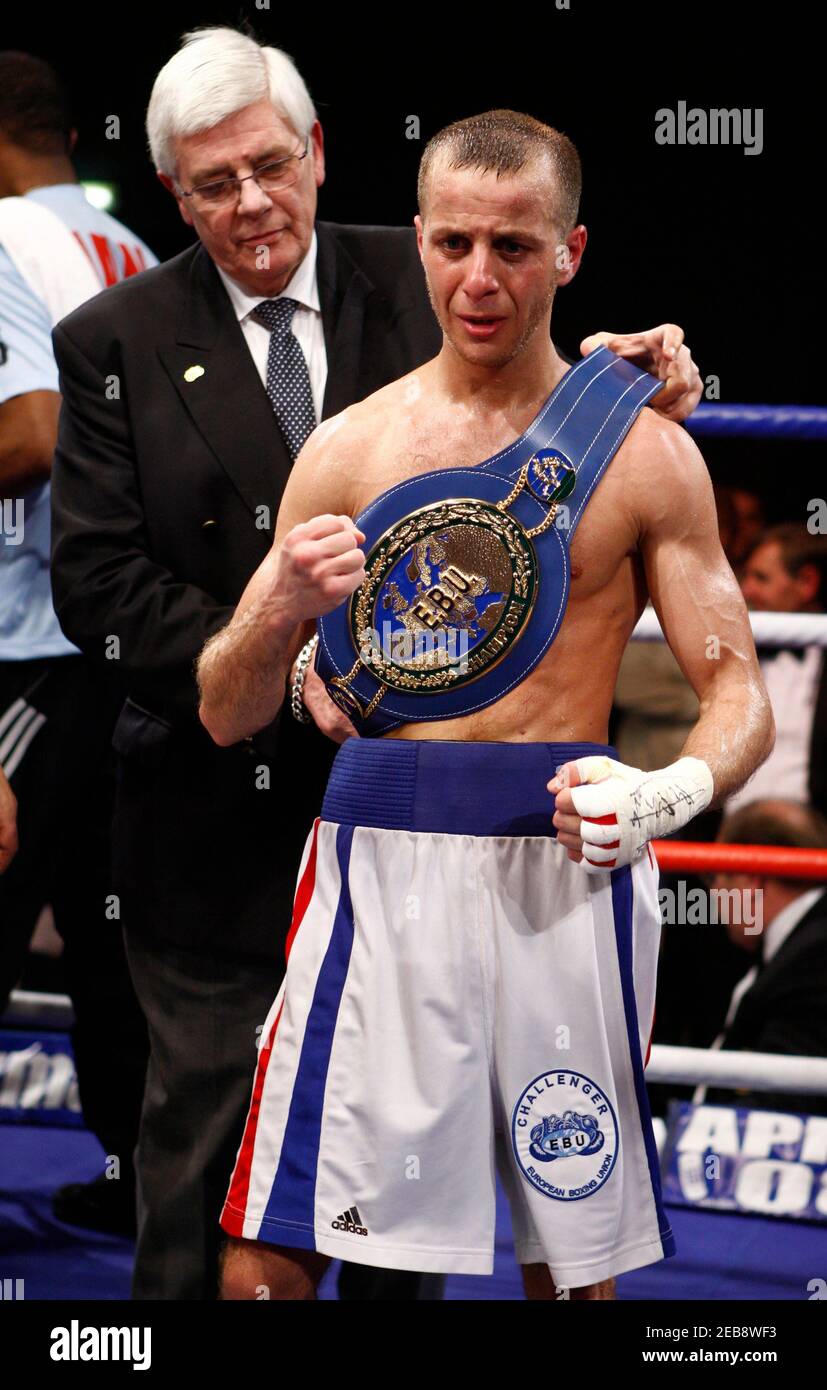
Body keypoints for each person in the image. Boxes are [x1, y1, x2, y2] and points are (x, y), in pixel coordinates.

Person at [50, 27, 704, 1300]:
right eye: (209, 183)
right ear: (171, 195)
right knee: (210, 1167)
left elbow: (532, 341)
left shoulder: (424, 264)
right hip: (212, 821)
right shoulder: (112, 338)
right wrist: (294, 648)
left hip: (451, 826)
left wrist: (647, 370)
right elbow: (100, 588)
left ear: (316, 156)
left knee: (419, 1216)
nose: (248, 203)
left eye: (269, 165)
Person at [197, 109, 774, 1300]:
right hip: (375, 863)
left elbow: (739, 698)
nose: (478, 277)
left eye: (513, 247)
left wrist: (657, 791)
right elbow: (223, 708)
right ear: (416, 239)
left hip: (566, 862)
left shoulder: (645, 456)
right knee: (271, 1243)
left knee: (569, 1263)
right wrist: (275, 623)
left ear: (568, 252)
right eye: (453, 241)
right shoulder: (349, 451)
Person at [0, 50, 155, 1234]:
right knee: (116, 924)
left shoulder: (5, 240)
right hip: (124, 642)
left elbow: (31, 436)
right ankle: (139, 1181)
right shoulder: (133, 252)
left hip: (31, 636)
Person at [697, 799, 827, 1117]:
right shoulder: (795, 945)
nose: (714, 897)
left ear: (749, 878)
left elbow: (786, 1102)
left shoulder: (812, 958)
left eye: (717, 879)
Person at [731, 524, 827, 817]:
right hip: (731, 832)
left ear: (807, 582)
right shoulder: (730, 651)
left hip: (812, 829)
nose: (745, 590)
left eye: (761, 578)